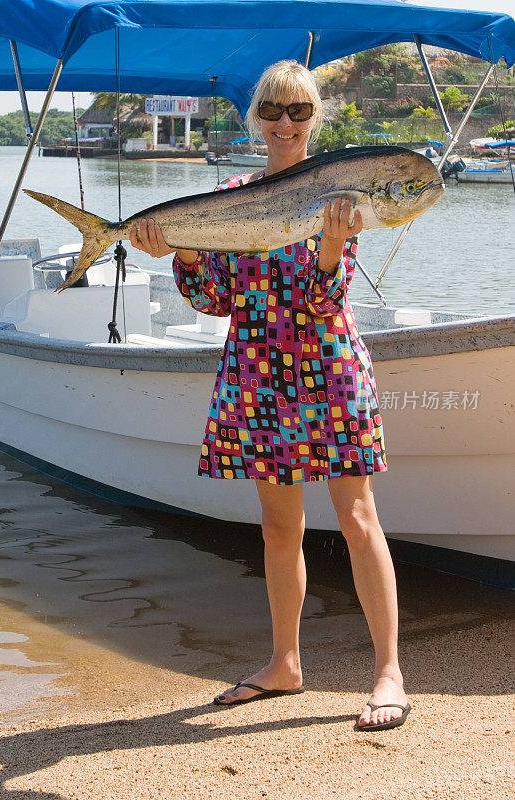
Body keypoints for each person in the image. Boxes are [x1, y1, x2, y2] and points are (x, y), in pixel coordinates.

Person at [130, 60, 411, 732]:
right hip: (255, 371)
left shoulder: (338, 194)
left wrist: (333, 245)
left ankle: (388, 673)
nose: (285, 123)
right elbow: (215, 301)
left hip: (329, 366)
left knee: (359, 519)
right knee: (280, 530)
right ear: (255, 118)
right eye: (273, 111)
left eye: (300, 111)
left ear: (316, 119)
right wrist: (187, 254)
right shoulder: (227, 194)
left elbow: (324, 301)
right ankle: (285, 663)